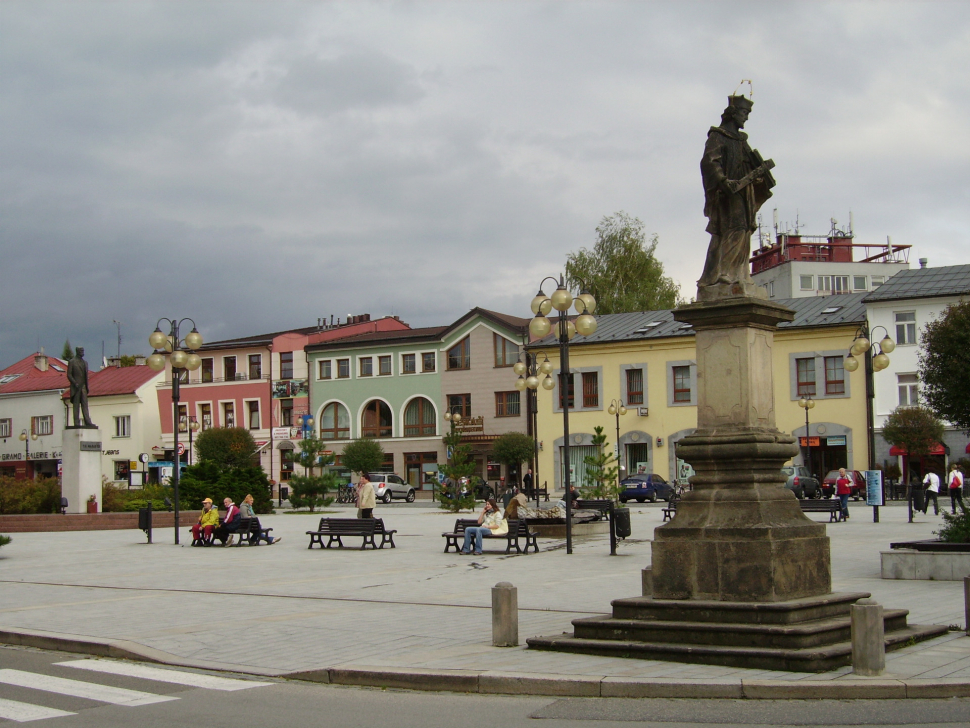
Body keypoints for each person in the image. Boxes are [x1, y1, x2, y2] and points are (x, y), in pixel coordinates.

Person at [697, 95, 775, 301]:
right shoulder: (718, 136)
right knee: (735, 228)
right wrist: (723, 180)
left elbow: (749, 165)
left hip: (744, 193)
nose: (746, 119)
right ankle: (725, 275)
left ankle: (739, 274)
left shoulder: (742, 142)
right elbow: (709, 162)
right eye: (744, 113)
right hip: (727, 193)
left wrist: (758, 178)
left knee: (744, 230)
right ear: (733, 114)